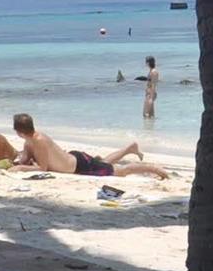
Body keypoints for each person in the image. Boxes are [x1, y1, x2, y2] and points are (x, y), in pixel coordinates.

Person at [11, 113, 168, 179]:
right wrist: (17, 164)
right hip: (75, 160)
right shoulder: (29, 141)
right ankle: (129, 149)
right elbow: (24, 159)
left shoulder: (39, 140)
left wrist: (20, 168)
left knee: (120, 171)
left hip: (79, 166)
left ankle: (154, 169)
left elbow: (43, 168)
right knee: (105, 163)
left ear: (19, 132)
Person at [142, 56, 159, 122]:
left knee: (146, 114)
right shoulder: (151, 71)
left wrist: (151, 98)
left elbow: (153, 84)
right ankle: (150, 130)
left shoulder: (154, 72)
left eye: (146, 62)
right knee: (150, 115)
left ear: (148, 63)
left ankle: (148, 129)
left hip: (150, 94)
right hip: (149, 94)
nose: (145, 63)